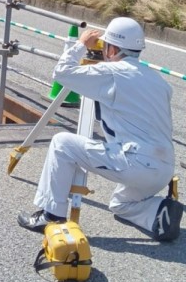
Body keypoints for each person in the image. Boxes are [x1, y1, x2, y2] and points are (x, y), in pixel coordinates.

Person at [18, 17, 183, 242]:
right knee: (120, 205)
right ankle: (159, 211)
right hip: (164, 170)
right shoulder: (159, 81)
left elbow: (62, 73)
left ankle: (51, 215)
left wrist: (81, 45)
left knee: (62, 144)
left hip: (135, 163)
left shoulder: (111, 73)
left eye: (105, 46)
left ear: (112, 48)